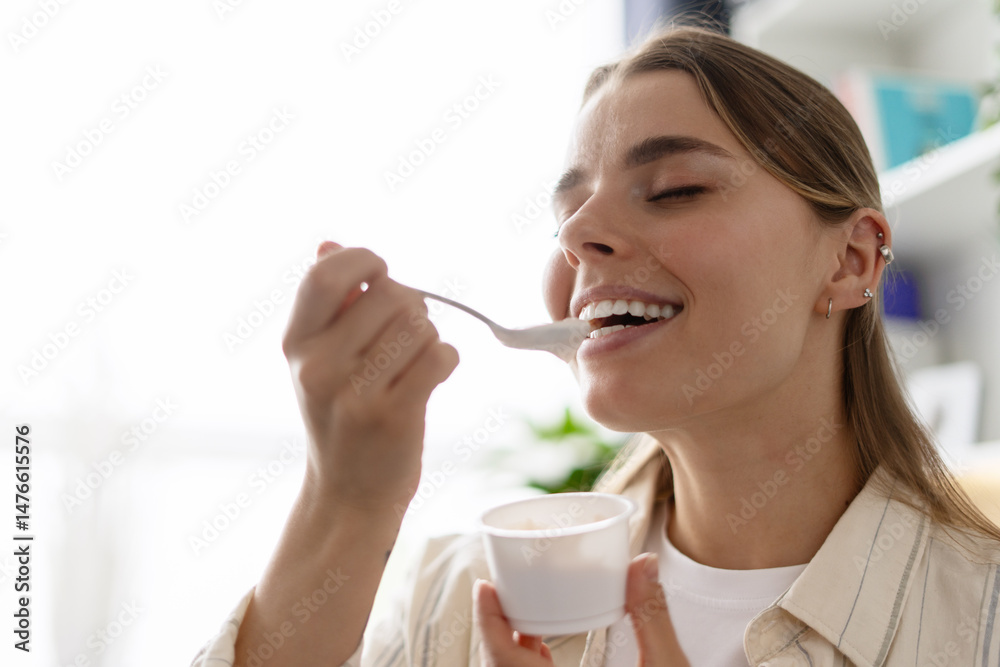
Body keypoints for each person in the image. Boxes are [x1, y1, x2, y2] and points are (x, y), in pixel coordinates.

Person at [191, 24, 1000, 667]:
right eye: (565, 216)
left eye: (676, 189)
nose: (578, 235)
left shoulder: (981, 618)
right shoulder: (459, 601)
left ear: (851, 260)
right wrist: (345, 500)